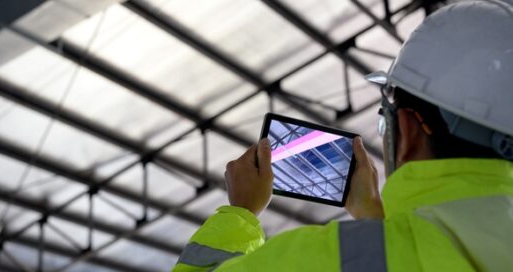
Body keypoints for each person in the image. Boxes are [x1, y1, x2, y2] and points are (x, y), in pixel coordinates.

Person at [173, 1, 513, 271]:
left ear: (407, 131)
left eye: (386, 125)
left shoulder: (331, 257)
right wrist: (374, 222)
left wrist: (241, 214)